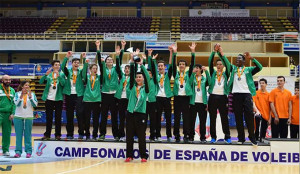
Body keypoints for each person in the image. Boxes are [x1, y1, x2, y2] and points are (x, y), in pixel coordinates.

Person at [219, 45, 263, 146]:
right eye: (236, 59)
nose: (237, 61)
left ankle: (252, 137)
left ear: (244, 61)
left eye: (239, 59)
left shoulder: (249, 70)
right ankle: (241, 138)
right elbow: (225, 61)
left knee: (249, 117)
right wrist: (221, 53)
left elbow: (260, 67)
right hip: (236, 96)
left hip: (247, 95)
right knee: (238, 117)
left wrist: (252, 58)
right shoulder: (233, 69)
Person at [125, 51, 150, 163]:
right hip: (130, 113)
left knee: (141, 136)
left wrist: (141, 64)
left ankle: (143, 156)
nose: (138, 78)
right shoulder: (131, 87)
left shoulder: (146, 88)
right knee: (129, 135)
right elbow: (131, 74)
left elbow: (148, 78)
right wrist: (132, 62)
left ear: (143, 78)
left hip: (141, 114)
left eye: (140, 77)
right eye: (137, 77)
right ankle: (129, 155)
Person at [96, 40, 119, 141]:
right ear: (105, 62)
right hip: (105, 94)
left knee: (114, 116)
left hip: (114, 94)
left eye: (111, 60)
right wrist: (98, 48)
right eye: (108, 60)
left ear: (113, 62)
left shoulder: (116, 69)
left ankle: (116, 135)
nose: (109, 61)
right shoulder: (103, 69)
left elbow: (119, 62)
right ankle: (102, 134)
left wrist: (118, 55)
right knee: (104, 116)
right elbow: (99, 60)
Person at [208, 44, 231, 144]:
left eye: (221, 64)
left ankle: (227, 136)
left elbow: (229, 65)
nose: (219, 66)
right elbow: (209, 63)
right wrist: (214, 52)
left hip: (222, 97)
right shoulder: (213, 73)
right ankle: (213, 137)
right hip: (212, 97)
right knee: (212, 118)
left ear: (223, 66)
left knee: (224, 118)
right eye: (217, 64)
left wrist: (222, 54)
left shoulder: (226, 73)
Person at [171, 43, 194, 143]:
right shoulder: (175, 74)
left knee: (186, 117)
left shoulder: (188, 74)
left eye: (183, 64)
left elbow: (193, 64)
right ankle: (176, 135)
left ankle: (186, 134)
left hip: (185, 98)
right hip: (177, 98)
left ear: (185, 66)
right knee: (176, 117)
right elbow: (172, 65)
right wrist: (174, 53)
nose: (181, 66)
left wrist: (192, 52)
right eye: (180, 64)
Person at [61, 51, 86, 140]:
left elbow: (86, 69)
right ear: (72, 63)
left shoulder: (81, 73)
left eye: (78, 63)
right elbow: (62, 66)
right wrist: (66, 57)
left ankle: (81, 133)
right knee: (69, 115)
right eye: (75, 62)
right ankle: (70, 133)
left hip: (79, 94)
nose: (76, 64)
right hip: (69, 94)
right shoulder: (68, 72)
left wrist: (84, 58)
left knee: (80, 114)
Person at [40, 60, 65, 140]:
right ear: (53, 66)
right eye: (56, 65)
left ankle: (58, 134)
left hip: (58, 99)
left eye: (58, 65)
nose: (57, 66)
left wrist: (59, 77)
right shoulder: (49, 75)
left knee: (58, 118)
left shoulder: (62, 74)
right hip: (49, 99)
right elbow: (40, 82)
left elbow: (63, 84)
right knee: (49, 118)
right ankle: (47, 134)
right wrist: (45, 75)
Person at [153, 46, 174, 142]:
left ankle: (169, 136)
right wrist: (152, 60)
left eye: (162, 66)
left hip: (166, 98)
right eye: (159, 66)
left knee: (168, 117)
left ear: (165, 67)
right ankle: (158, 135)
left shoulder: (167, 76)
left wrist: (171, 53)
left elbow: (171, 64)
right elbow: (152, 68)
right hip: (158, 98)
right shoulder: (156, 76)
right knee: (157, 118)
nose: (160, 67)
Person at [13, 81, 38, 158]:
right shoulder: (17, 94)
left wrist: (30, 98)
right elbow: (17, 104)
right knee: (18, 135)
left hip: (28, 117)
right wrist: (21, 97)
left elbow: (35, 105)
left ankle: (28, 151)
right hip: (18, 117)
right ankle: (18, 152)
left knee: (28, 135)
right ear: (22, 86)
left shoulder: (32, 94)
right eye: (25, 85)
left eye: (28, 85)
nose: (27, 87)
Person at [82, 53, 102, 141]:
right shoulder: (86, 77)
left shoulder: (99, 78)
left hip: (97, 100)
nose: (95, 70)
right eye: (93, 68)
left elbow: (104, 71)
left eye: (96, 69)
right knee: (86, 119)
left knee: (96, 119)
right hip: (87, 100)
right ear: (90, 70)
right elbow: (83, 72)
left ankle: (94, 135)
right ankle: (87, 134)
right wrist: (85, 62)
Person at [189, 64, 210, 143]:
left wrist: (207, 72)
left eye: (197, 68)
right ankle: (191, 136)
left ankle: (203, 137)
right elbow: (189, 83)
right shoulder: (193, 78)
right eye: (195, 68)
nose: (196, 69)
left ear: (201, 69)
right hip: (193, 103)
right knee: (192, 121)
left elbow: (210, 82)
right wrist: (193, 73)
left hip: (202, 103)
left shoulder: (204, 79)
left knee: (203, 121)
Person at [114, 40, 128, 142]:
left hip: (130, 99)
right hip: (121, 99)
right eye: (126, 69)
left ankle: (132, 134)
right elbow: (118, 66)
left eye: (129, 69)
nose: (127, 70)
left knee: (131, 119)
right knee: (121, 118)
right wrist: (119, 54)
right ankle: (120, 134)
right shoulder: (121, 76)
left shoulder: (134, 78)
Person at [0, 75, 16, 156]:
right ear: (2, 80)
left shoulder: (12, 90)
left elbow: (14, 104)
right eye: (6, 80)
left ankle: (5, 150)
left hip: (8, 115)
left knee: (7, 133)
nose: (8, 81)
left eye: (9, 80)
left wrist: (13, 113)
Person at [145, 49, 159, 142]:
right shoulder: (143, 81)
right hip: (144, 102)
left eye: (150, 73)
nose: (149, 74)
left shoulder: (154, 80)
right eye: (148, 73)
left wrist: (152, 59)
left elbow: (153, 69)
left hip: (153, 101)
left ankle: (152, 135)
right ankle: (142, 134)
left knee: (153, 120)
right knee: (143, 120)